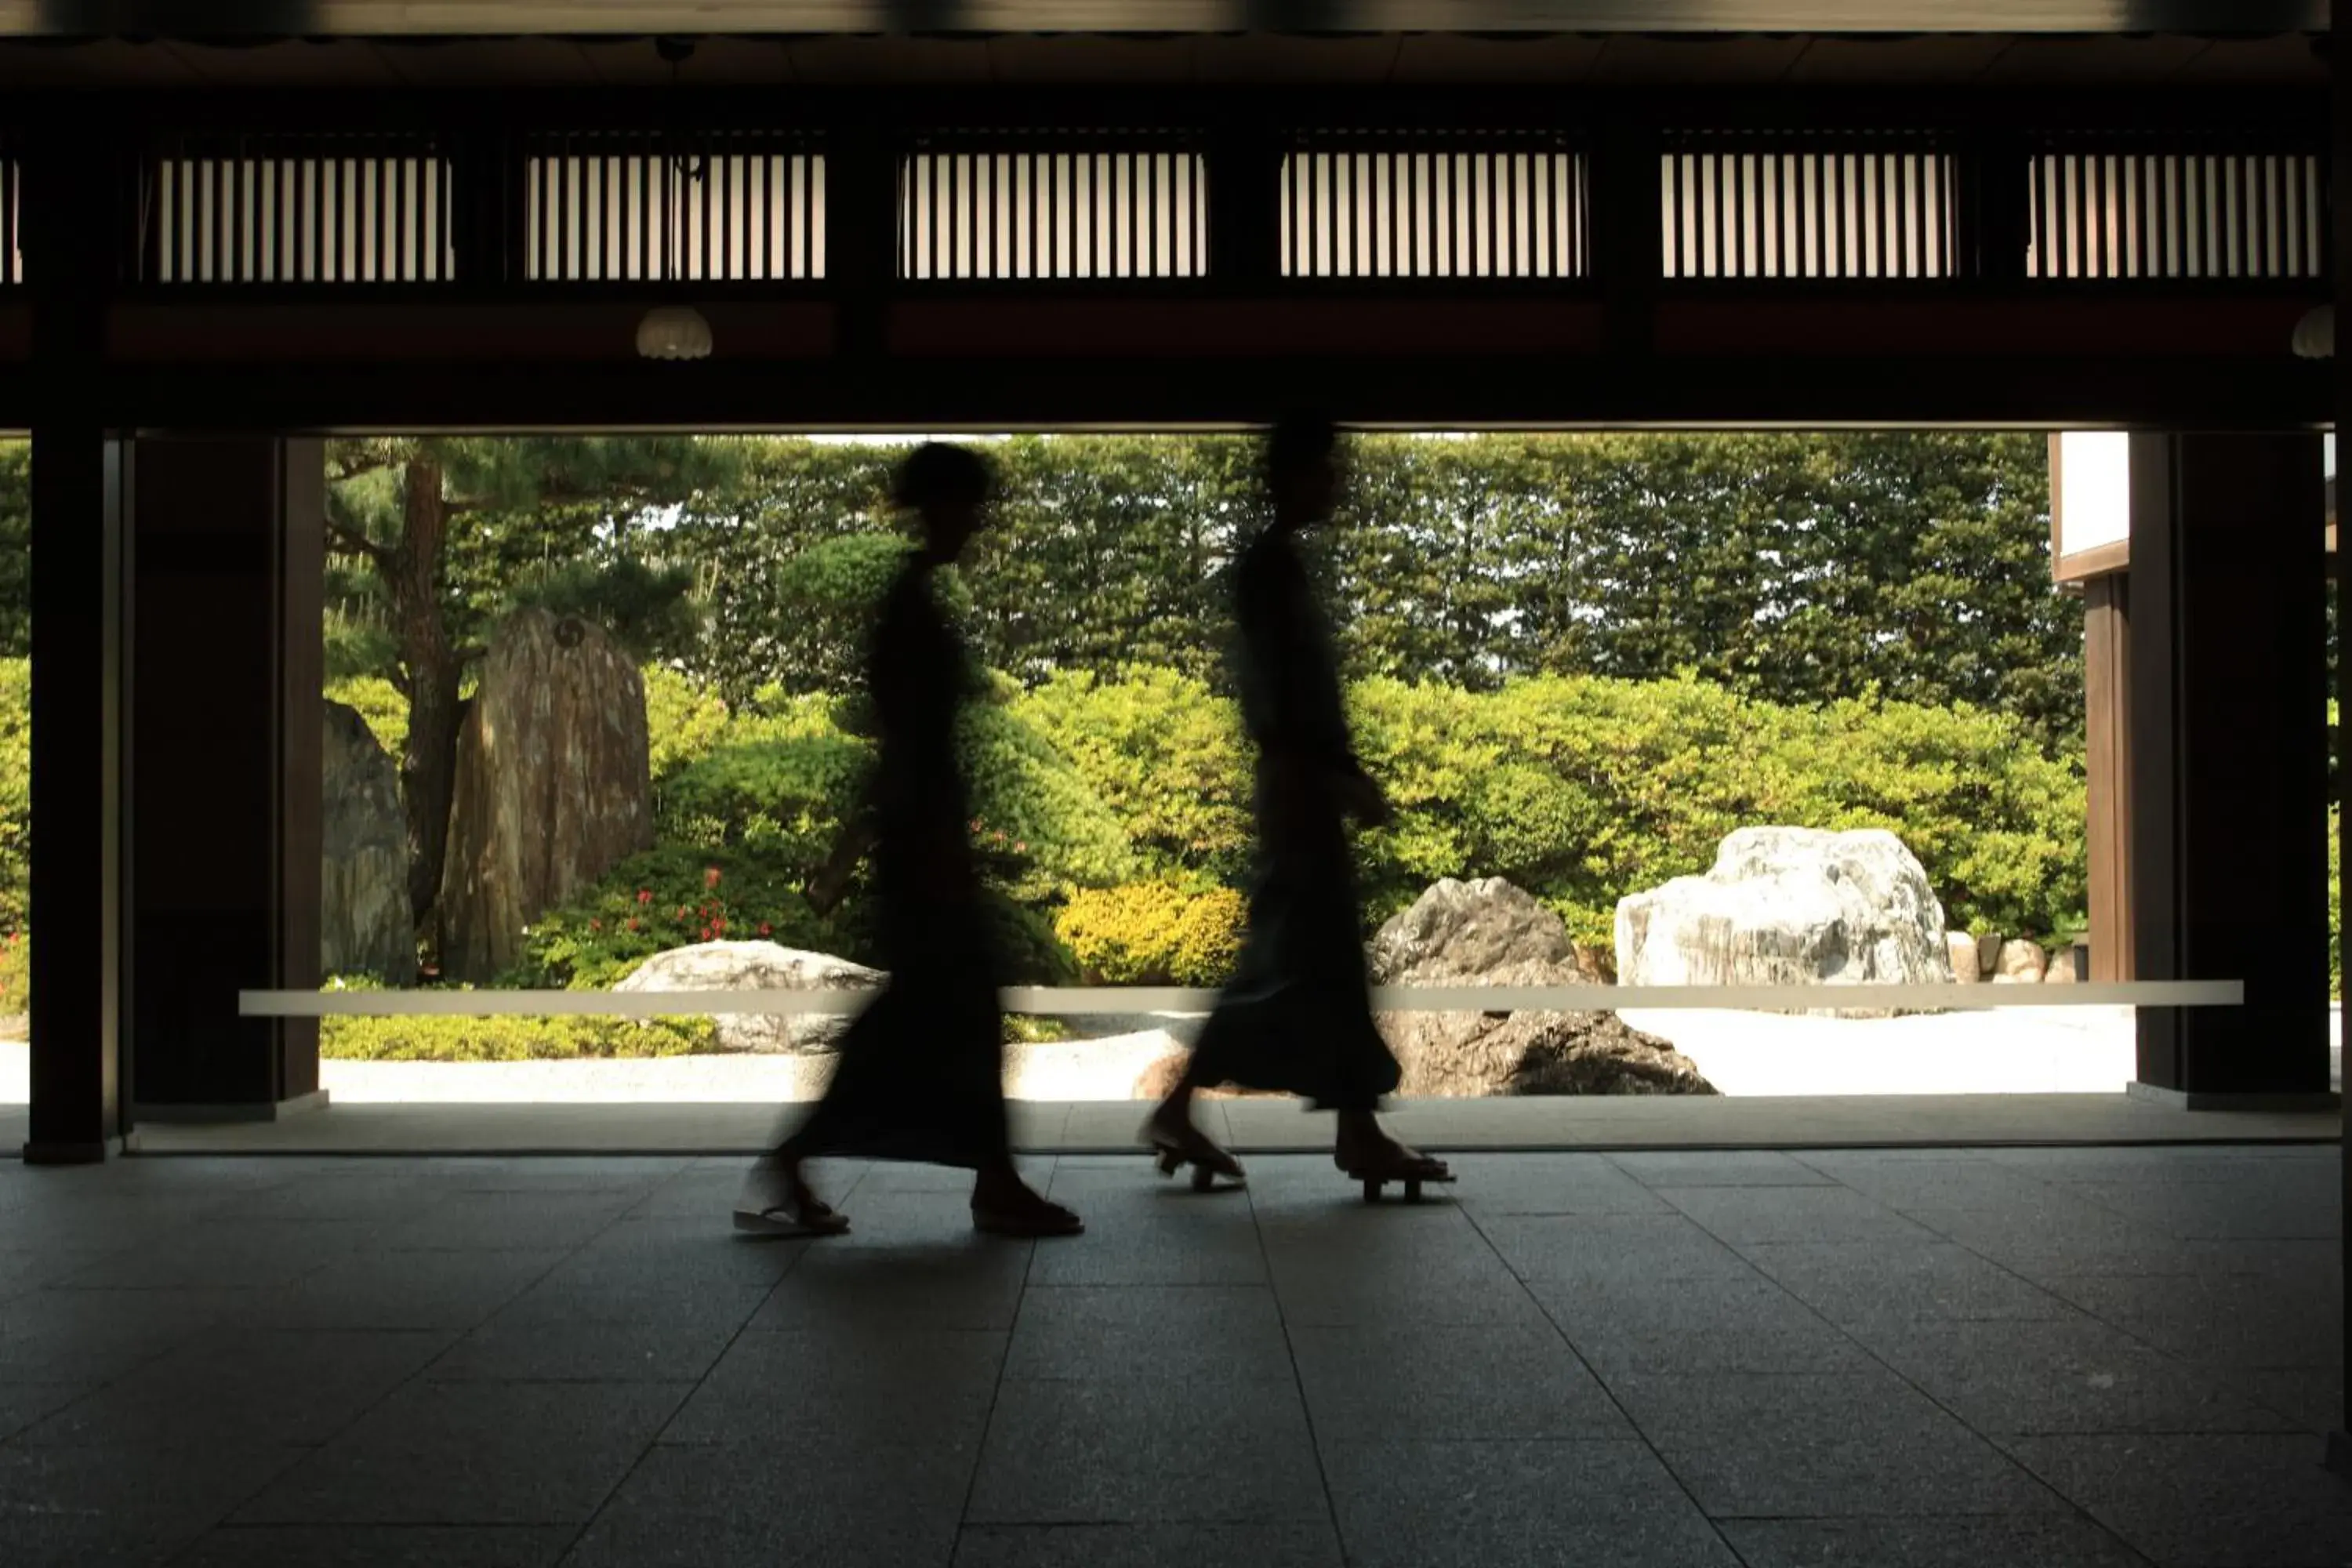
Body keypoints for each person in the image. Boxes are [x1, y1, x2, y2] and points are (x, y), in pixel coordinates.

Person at [735, 443, 1082, 1240]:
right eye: (969, 506)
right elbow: (904, 748)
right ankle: (971, 1178)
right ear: (939, 507)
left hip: (920, 840)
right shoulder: (912, 607)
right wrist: (885, 851)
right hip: (923, 847)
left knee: (936, 1015)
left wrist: (855, 852)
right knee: (940, 1013)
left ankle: (959, 1173)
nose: (977, 523)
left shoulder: (915, 601)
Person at [1145, 416, 1452, 1195]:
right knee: (1295, 964)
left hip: (1300, 781)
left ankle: (1352, 1128)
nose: (1337, 483)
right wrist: (1331, 774)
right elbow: (1284, 693)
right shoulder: (1269, 568)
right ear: (1293, 476)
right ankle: (1341, 1129)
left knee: (1312, 963)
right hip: (1298, 786)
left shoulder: (1275, 565)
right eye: (1326, 469)